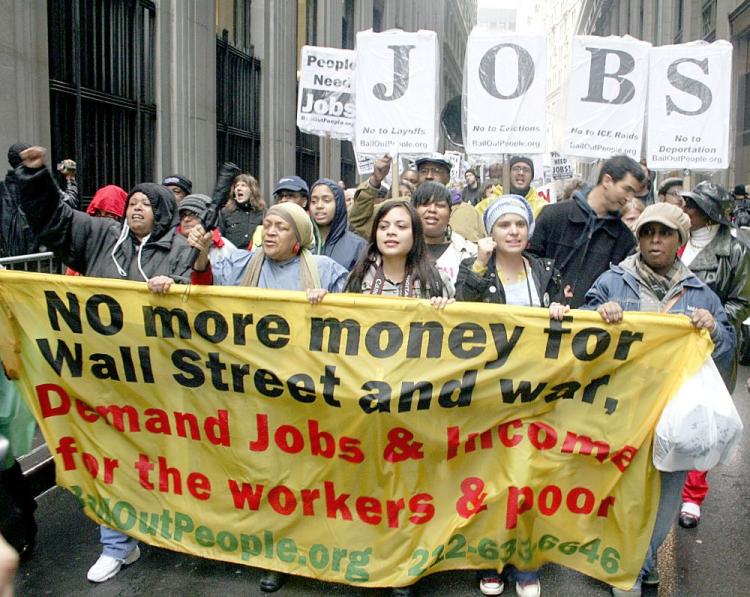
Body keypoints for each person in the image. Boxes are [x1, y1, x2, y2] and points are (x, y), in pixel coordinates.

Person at [16, 145, 194, 583]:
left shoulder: (180, 251)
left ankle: (157, 528)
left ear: (164, 214)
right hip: (104, 378)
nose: (136, 208)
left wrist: (178, 286)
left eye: (146, 204)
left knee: (158, 463)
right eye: (132, 202)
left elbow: (199, 303)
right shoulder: (99, 236)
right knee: (109, 460)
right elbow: (53, 223)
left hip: (160, 383)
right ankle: (115, 544)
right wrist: (36, 177)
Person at [188, 202, 347, 594]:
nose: (271, 232)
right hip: (257, 396)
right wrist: (202, 255)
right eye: (268, 224)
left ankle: (318, 548)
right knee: (269, 477)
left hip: (309, 396)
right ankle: (279, 555)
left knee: (310, 478)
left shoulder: (324, 270)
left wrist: (330, 303)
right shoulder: (244, 265)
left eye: (281, 227)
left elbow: (356, 323)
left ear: (300, 238)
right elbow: (206, 295)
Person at [582, 203, 735, 597]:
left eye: (664, 234)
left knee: (665, 504)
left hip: (676, 417)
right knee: (622, 496)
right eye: (648, 232)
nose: (655, 240)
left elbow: (726, 352)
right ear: (638, 238)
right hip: (622, 413)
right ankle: (629, 571)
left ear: (679, 242)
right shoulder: (613, 282)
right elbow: (579, 335)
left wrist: (714, 329)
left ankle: (642, 560)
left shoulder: (701, 293)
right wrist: (599, 313)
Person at [456, 195, 567, 597]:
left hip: (536, 394)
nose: (513, 232)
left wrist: (559, 309)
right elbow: (462, 313)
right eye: (504, 225)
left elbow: (566, 325)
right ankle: (490, 559)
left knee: (528, 481)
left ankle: (525, 561)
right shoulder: (475, 269)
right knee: (490, 480)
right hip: (490, 395)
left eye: (519, 225)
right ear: (491, 232)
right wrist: (481, 265)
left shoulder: (545, 269)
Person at [676, 181, 750, 530]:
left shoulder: (734, 251)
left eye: (692, 207)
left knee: (702, 421)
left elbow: (742, 302)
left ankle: (692, 495)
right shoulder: (672, 239)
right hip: (671, 347)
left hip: (710, 347)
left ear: (709, 215)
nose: (685, 211)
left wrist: (711, 318)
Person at [529, 154, 644, 307]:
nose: (630, 198)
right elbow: (528, 265)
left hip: (593, 327)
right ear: (607, 181)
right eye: (627, 189)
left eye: (634, 193)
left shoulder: (625, 239)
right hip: (543, 320)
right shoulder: (553, 216)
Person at [345, 199, 453, 304]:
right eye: (383, 227)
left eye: (401, 226)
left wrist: (445, 309)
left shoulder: (435, 279)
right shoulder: (358, 277)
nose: (390, 232)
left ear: (415, 235)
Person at [412, 182, 476, 285]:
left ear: (450, 213)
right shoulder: (396, 251)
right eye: (425, 204)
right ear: (413, 210)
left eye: (440, 205)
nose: (432, 210)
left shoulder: (470, 253)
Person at [309, 178, 366, 270]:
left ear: (339, 204)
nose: (319, 206)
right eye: (314, 201)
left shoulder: (358, 246)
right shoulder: (302, 243)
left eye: (326, 200)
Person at [0, 143, 41, 257]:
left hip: (9, 261)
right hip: (37, 260)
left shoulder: (2, 189)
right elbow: (68, 205)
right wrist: (70, 180)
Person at [475, 156, 547, 219]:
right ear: (508, 174)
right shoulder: (487, 205)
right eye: (516, 169)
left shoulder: (542, 207)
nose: (521, 173)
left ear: (532, 177)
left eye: (526, 170)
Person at [177, 194, 237, 265]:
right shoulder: (170, 245)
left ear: (209, 218)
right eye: (183, 215)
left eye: (193, 214)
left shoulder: (226, 249)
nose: (186, 219)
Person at [219, 173, 266, 249]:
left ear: (252, 190)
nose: (238, 188)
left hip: (255, 258)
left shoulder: (263, 213)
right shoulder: (225, 212)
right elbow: (219, 239)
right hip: (232, 258)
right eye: (236, 186)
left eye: (243, 185)